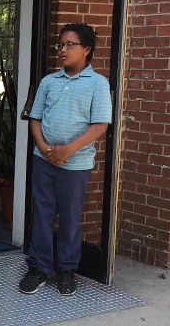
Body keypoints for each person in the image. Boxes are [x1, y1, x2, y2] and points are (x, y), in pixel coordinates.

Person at [19, 23, 112, 296]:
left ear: (86, 49)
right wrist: (45, 147)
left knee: (70, 218)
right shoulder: (49, 82)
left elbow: (100, 125)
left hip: (75, 165)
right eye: (61, 45)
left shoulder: (98, 84)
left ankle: (66, 269)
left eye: (70, 45)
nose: (63, 50)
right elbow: (35, 118)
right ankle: (38, 267)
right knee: (42, 214)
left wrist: (67, 150)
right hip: (44, 159)